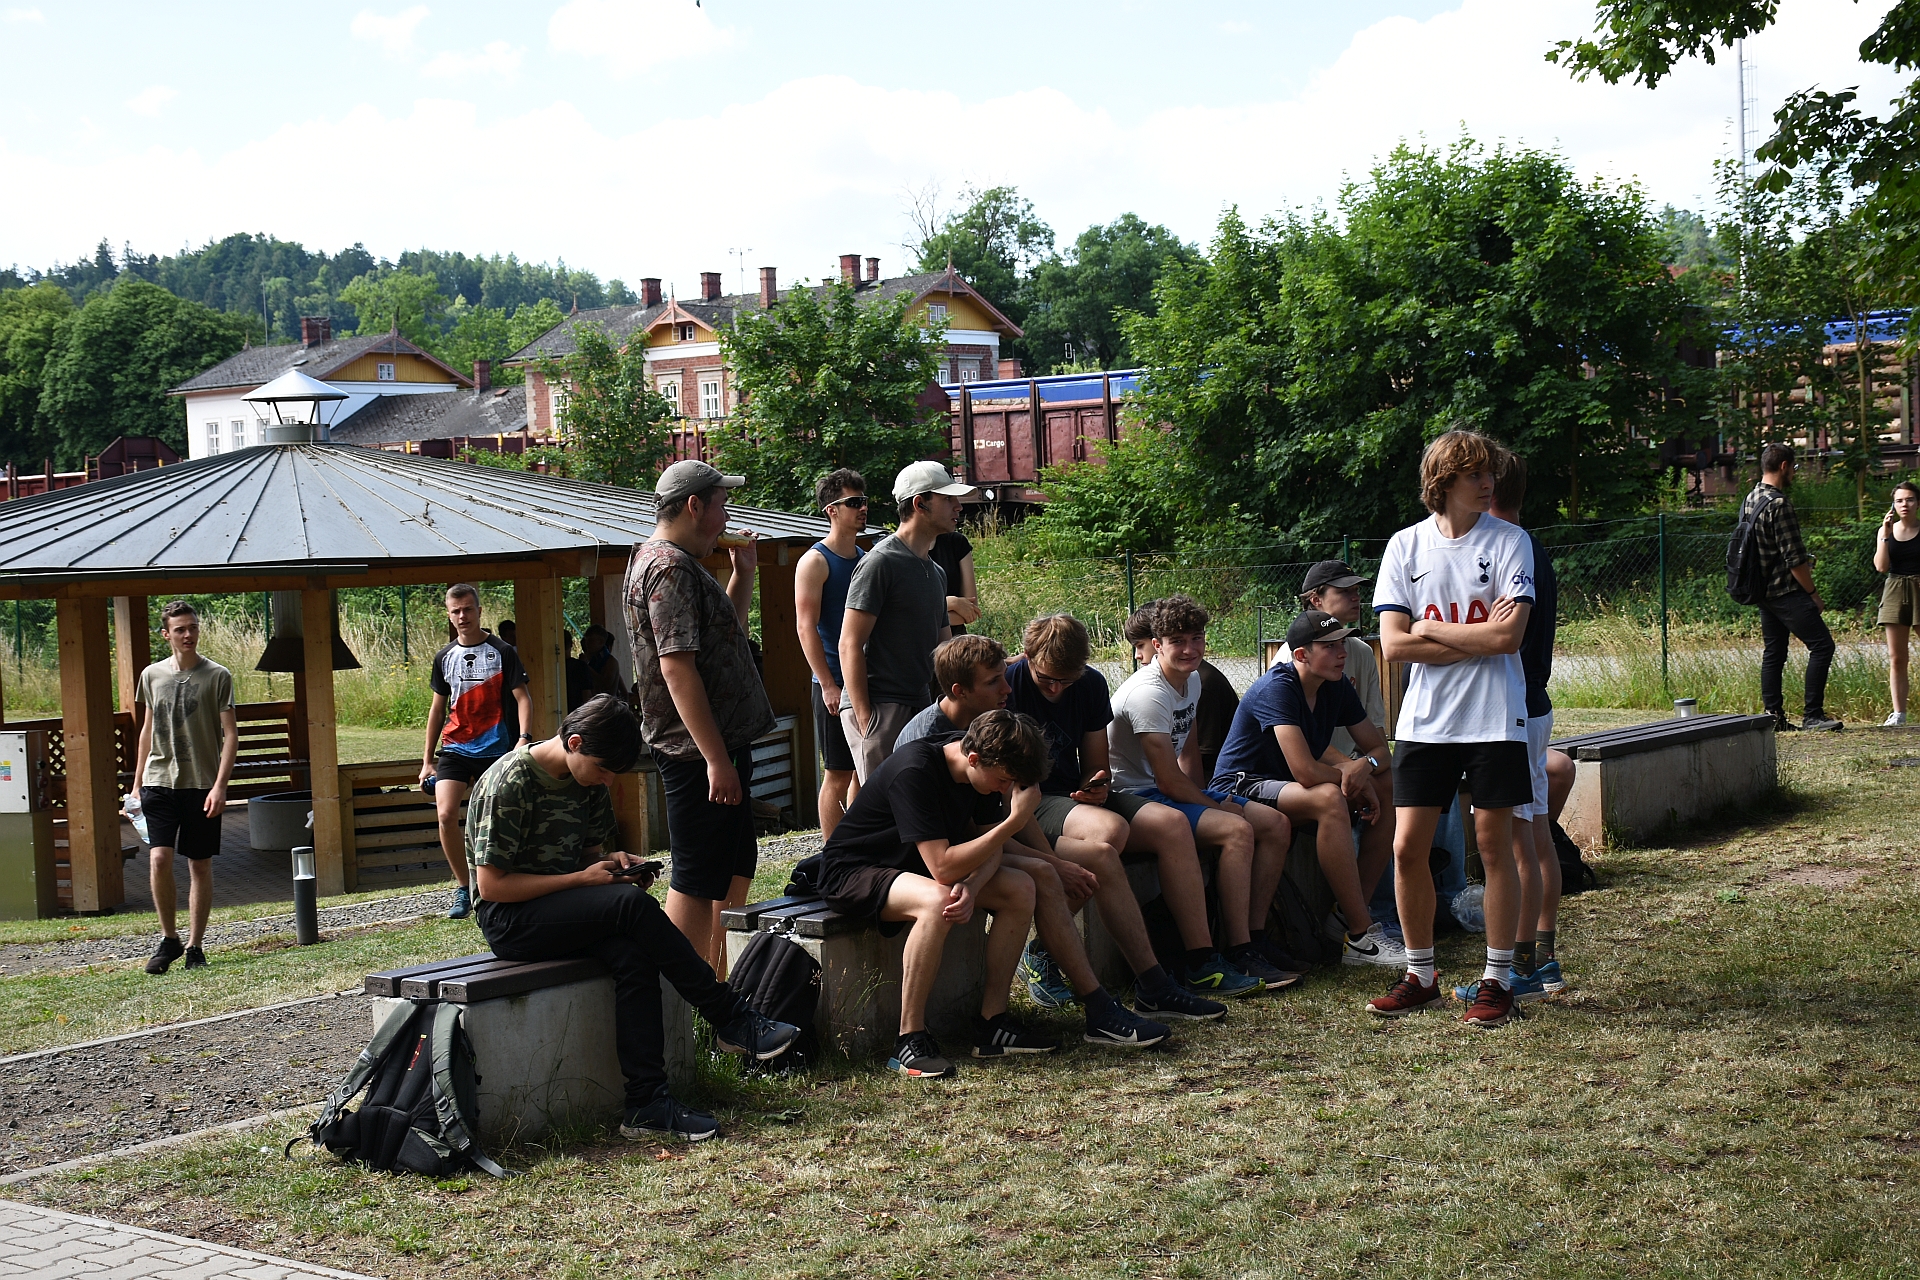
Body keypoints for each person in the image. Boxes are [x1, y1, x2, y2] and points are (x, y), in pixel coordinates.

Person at [466, 694, 799, 1143]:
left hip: (561, 910)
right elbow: (492, 887)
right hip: (509, 921)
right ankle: (728, 1015)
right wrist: (584, 881)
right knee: (630, 906)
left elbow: (586, 859)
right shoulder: (509, 782)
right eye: (603, 769)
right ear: (575, 742)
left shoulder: (587, 781)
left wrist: (612, 866)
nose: (606, 780)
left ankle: (647, 1103)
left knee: (632, 954)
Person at [821, 710, 1160, 1077]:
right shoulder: (915, 770)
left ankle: (993, 1025)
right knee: (939, 901)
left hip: (915, 864)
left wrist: (974, 884)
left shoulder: (982, 772)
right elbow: (943, 867)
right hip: (857, 870)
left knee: (1023, 886)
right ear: (973, 758)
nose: (1003, 789)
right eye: (1002, 781)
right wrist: (1013, 822)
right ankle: (908, 1039)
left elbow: (988, 844)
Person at [894, 638, 1186, 1046]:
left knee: (1098, 856)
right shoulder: (927, 739)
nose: (1007, 688)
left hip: (981, 847)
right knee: (1051, 870)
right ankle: (1087, 999)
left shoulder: (991, 726)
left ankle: (1151, 983)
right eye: (995, 682)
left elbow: (1007, 817)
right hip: (934, 857)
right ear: (960, 691)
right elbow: (963, 843)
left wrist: (1052, 859)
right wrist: (1047, 864)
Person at [1367, 428, 1534, 1029]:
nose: (1488, 483)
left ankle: (1498, 980)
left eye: (1489, 473)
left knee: (1493, 848)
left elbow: (1508, 637)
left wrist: (1430, 629)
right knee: (1407, 847)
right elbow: (1393, 646)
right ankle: (1421, 976)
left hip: (1496, 718)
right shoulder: (1405, 546)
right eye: (1474, 475)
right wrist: (1474, 636)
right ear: (1444, 481)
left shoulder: (1511, 541)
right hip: (1424, 722)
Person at [1001, 614, 1232, 1021]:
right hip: (1026, 798)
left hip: (1071, 795)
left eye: (1066, 680)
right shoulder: (1007, 684)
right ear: (1027, 657)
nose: (1056, 689)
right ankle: (1046, 951)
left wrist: (1097, 786)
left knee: (1172, 824)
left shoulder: (1090, 683)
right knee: (1109, 831)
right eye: (1046, 679)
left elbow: (1096, 764)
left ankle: (1201, 960)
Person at [625, 459, 775, 974]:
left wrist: (744, 574)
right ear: (694, 506)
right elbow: (676, 668)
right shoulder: (668, 568)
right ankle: (683, 994)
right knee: (695, 875)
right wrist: (715, 760)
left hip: (719, 745)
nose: (727, 517)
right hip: (695, 752)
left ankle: (717, 980)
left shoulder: (682, 564)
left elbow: (723, 636)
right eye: (722, 505)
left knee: (734, 864)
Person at [1108, 594, 1295, 995]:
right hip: (1132, 795)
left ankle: (1254, 940)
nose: (1189, 649)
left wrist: (1208, 800)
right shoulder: (1148, 693)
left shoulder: (1192, 679)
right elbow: (1167, 781)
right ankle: (1220, 956)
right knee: (1237, 830)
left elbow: (1188, 754)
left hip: (1166, 790)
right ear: (1156, 645)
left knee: (1275, 824)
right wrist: (1217, 810)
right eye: (1177, 641)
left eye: (1196, 638)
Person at [1211, 610, 1406, 970]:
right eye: (1330, 647)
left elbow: (1380, 752)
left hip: (1286, 788)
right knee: (1329, 797)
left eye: (1343, 643)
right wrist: (1353, 777)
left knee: (1385, 785)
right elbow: (1305, 772)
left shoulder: (1336, 686)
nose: (1342, 653)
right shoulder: (1278, 688)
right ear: (1301, 655)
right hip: (1240, 785)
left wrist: (1365, 768)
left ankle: (1347, 917)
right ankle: (1361, 937)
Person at [1451, 453, 1578, 1005]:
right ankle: (1541, 957)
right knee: (1535, 835)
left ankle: (1523, 966)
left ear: (1490, 489)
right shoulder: (1527, 547)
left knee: (1519, 842)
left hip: (1516, 710)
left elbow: (1499, 637)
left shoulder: (1508, 550)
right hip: (1532, 705)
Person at [838, 461, 969, 782]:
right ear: (920, 504)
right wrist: (865, 718)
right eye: (948, 499)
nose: (958, 506)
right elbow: (849, 643)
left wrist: (996, 665)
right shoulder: (881, 562)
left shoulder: (936, 572)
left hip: (920, 704)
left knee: (916, 801)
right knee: (887, 805)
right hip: (881, 705)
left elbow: (946, 650)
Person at [136, 601, 239, 975]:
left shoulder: (217, 675)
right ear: (166, 634)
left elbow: (231, 735)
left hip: (201, 785)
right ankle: (169, 939)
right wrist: (136, 786)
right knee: (159, 858)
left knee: (199, 864)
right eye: (180, 629)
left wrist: (220, 786)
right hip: (158, 782)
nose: (188, 634)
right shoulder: (151, 675)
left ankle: (195, 946)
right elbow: (147, 730)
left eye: (193, 627)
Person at [422, 584, 533, 921]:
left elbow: (523, 698)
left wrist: (523, 739)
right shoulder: (444, 656)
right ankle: (463, 887)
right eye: (455, 611)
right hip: (455, 748)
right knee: (445, 815)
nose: (462, 616)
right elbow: (437, 710)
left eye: (468, 609)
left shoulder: (502, 651)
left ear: (479, 611)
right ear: (448, 614)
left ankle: (504, 880)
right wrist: (427, 761)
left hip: (497, 749)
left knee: (497, 819)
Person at [1744, 444, 1842, 732]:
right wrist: (1813, 594)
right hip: (1785, 591)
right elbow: (1794, 559)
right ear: (1784, 466)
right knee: (1822, 646)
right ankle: (1813, 715)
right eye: (1795, 468)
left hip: (1762, 591)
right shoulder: (1779, 504)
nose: (1795, 474)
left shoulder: (1751, 498)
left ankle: (1773, 717)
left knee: (1774, 652)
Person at [795, 467, 868, 837]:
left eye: (864, 501)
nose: (862, 508)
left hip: (864, 680)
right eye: (853, 502)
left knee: (863, 770)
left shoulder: (866, 558)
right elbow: (805, 627)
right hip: (834, 682)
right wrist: (827, 684)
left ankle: (855, 846)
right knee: (838, 772)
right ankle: (832, 852)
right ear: (832, 510)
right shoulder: (815, 561)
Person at [1276, 561, 1387, 759]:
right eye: (1344, 591)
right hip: (1304, 765)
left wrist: (1380, 766)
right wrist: (1347, 768)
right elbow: (1295, 741)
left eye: (1356, 590)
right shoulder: (1291, 656)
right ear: (1316, 599)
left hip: (1352, 761)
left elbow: (1375, 724)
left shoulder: (1363, 652)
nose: (1356, 597)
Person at [1874, 479, 1920, 726]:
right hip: (1894, 589)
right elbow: (1881, 567)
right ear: (1893, 505)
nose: (1905, 505)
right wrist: (1885, 535)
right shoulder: (1886, 531)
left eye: (1910, 499)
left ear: (1918, 503)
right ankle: (1899, 713)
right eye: (1899, 500)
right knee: (1897, 657)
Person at [580, 625, 627, 700]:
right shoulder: (593, 660)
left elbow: (606, 685)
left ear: (601, 642)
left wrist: (587, 667)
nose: (587, 644)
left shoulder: (610, 661)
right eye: (586, 641)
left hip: (607, 703)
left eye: (591, 641)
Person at [563, 631, 592, 713]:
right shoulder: (581, 666)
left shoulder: (552, 667)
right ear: (571, 644)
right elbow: (587, 696)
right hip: (577, 713)